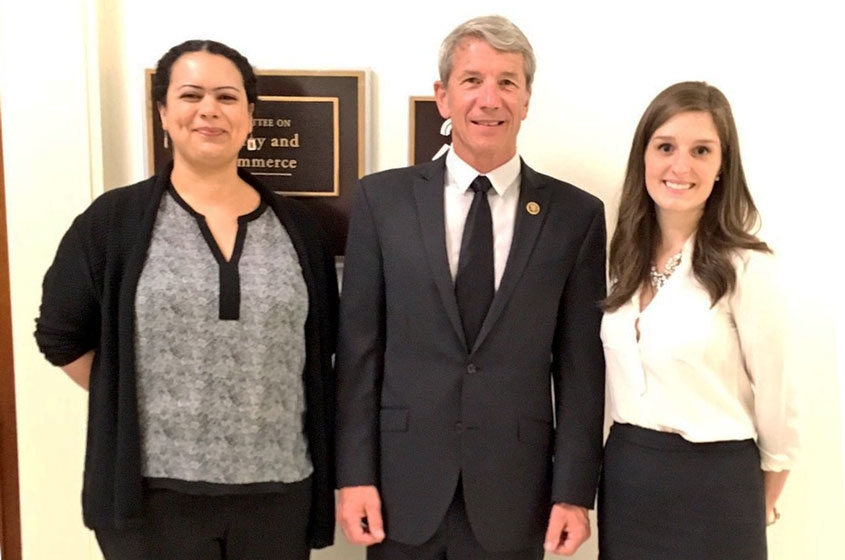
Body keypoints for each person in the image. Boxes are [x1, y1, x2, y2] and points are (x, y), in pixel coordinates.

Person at [34, 39, 338, 560]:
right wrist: (126, 395)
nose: (209, 111)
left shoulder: (300, 230)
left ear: (248, 116)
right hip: (153, 499)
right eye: (191, 95)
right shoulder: (114, 222)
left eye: (227, 97)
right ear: (163, 113)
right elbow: (60, 333)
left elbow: (324, 344)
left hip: (279, 493)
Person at [335, 15, 607, 560]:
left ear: (527, 99)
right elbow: (360, 352)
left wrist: (575, 493)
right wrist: (354, 475)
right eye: (472, 80)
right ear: (443, 96)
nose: (490, 99)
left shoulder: (575, 216)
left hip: (517, 494)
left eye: (508, 82)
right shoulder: (380, 203)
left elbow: (580, 367)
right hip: (401, 489)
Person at [598, 81, 799, 559]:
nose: (680, 166)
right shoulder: (620, 260)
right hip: (629, 479)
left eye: (701, 150)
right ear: (643, 156)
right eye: (665, 146)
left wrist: (759, 497)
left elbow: (778, 393)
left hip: (717, 485)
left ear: (722, 164)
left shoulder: (747, 267)